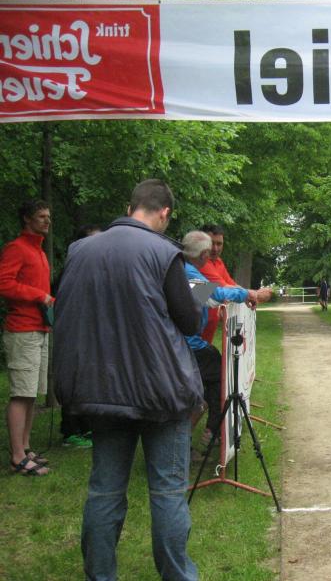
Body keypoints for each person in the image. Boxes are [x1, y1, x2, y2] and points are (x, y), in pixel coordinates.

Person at [54, 179, 203, 580]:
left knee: (104, 489)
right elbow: (189, 320)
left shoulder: (81, 251)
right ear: (165, 213)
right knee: (168, 491)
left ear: (130, 206)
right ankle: (178, 575)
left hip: (102, 388)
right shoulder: (164, 252)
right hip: (161, 390)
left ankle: (100, 575)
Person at [182, 231, 249, 460]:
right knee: (221, 378)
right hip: (187, 344)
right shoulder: (187, 272)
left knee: (208, 386)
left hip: (188, 342)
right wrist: (248, 293)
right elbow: (212, 296)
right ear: (203, 254)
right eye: (210, 251)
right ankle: (207, 434)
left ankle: (210, 432)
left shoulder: (182, 267)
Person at [0, 200, 54, 476]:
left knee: (31, 394)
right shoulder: (17, 248)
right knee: (21, 394)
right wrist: (39, 296)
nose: (47, 221)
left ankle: (26, 447)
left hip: (39, 329)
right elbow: (4, 283)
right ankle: (17, 456)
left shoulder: (39, 251)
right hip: (22, 330)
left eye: (48, 216)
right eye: (41, 216)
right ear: (26, 219)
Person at [58, 224, 102, 449]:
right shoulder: (76, 267)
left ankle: (86, 426)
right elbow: (200, 301)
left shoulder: (205, 268)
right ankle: (71, 430)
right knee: (76, 377)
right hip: (77, 331)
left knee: (90, 378)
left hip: (93, 331)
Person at [198, 224, 266, 343]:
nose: (215, 248)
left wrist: (247, 294)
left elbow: (232, 285)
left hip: (206, 333)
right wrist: (251, 294)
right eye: (211, 243)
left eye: (219, 244)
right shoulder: (200, 262)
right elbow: (224, 288)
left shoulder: (218, 262)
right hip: (193, 334)